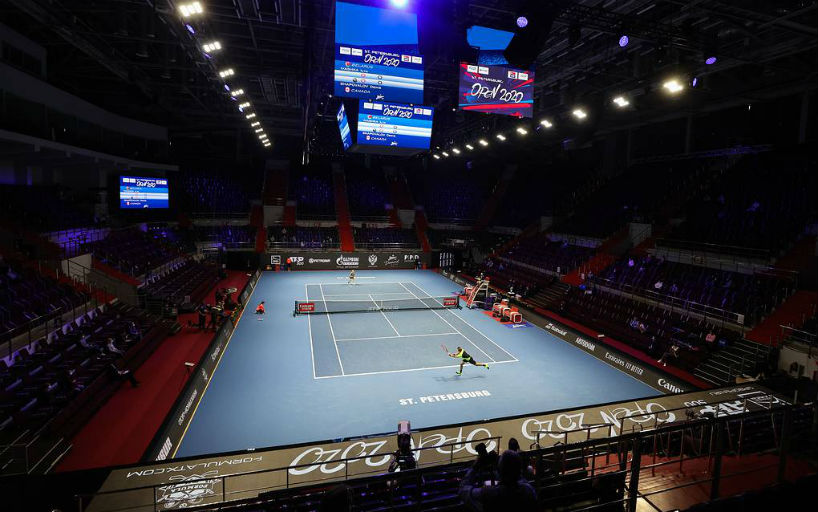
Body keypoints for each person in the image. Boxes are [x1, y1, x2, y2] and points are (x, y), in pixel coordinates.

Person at [459, 450, 537, 512]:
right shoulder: (528, 490)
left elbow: (463, 491)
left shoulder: (488, 493)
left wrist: (475, 467)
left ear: (499, 470)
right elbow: (516, 475)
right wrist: (498, 464)